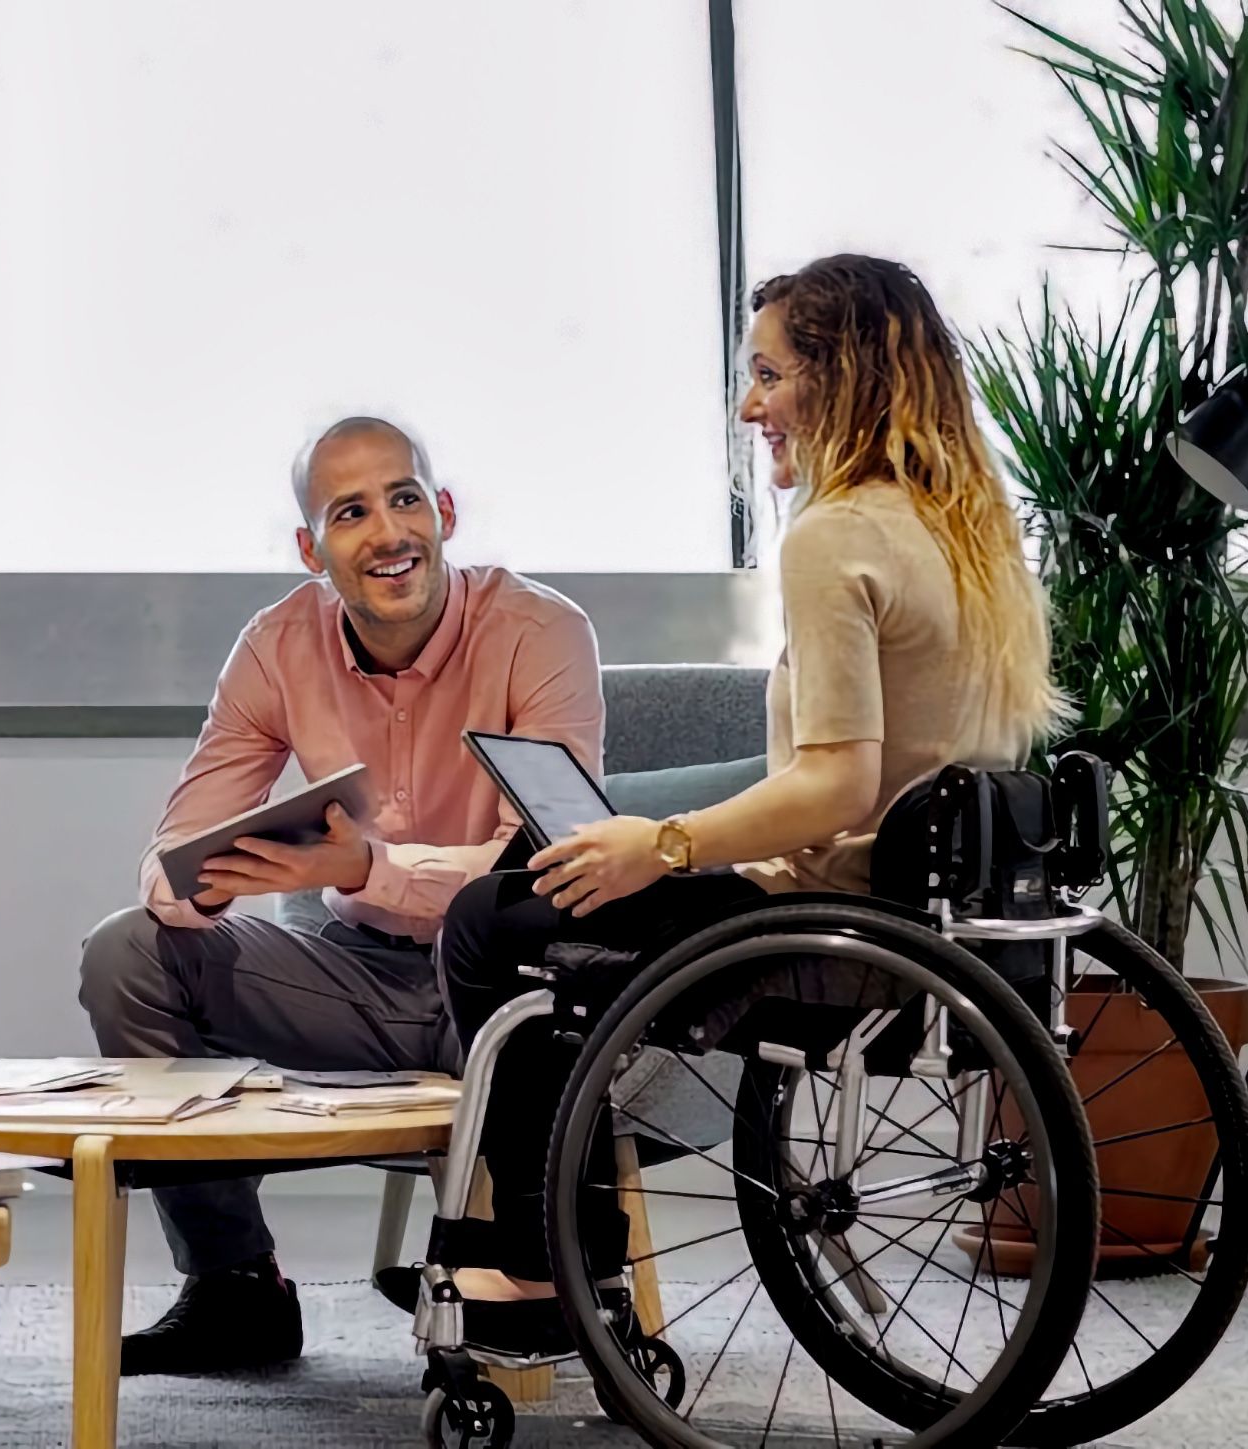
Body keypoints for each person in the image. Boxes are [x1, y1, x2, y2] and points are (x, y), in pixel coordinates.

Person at [429, 253, 1070, 1353]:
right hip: (948, 935)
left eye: (769, 375)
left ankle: (547, 1263)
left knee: (492, 923)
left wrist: (663, 847)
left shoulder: (835, 536)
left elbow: (838, 785)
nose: (750, 405)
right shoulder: (970, 530)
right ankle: (565, 1240)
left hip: (835, 940)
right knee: (535, 876)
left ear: (845, 378)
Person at [76, 415, 604, 1375]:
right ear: (311, 549)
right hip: (353, 977)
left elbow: (547, 870)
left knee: (530, 945)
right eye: (350, 512)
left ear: (444, 512)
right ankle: (237, 1287)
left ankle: (541, 1277)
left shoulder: (541, 631)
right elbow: (170, 859)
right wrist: (230, 873)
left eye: (405, 498)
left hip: (502, 990)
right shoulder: (278, 644)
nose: (388, 532)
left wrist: (366, 869)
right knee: (128, 952)